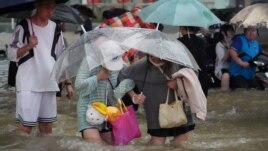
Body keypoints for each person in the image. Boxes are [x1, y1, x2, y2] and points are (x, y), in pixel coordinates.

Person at [7, 0, 73, 136]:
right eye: (47, 6)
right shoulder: (23, 26)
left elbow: (61, 58)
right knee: (25, 128)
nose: (50, 11)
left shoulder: (56, 28)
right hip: (28, 84)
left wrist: (68, 83)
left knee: (47, 128)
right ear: (37, 6)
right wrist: (28, 46)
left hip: (49, 82)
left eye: (53, 7)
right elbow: (11, 54)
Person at [117, 55, 195, 148]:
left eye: (157, 56)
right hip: (155, 111)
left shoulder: (178, 62)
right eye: (151, 55)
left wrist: (178, 83)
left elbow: (193, 75)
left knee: (180, 143)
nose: (154, 58)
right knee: (157, 144)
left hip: (180, 108)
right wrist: (133, 95)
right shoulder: (141, 65)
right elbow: (122, 76)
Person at [75, 40, 134, 145]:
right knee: (96, 145)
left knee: (112, 146)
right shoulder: (89, 61)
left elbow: (128, 81)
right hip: (88, 110)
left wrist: (133, 95)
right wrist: (98, 77)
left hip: (108, 112)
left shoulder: (121, 64)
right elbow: (78, 86)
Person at [178, 26, 210, 97]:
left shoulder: (179, 42)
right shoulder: (203, 41)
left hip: (186, 77)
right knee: (201, 104)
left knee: (187, 104)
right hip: (202, 77)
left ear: (183, 28)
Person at [214, 24, 235, 91]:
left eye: (232, 30)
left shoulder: (234, 42)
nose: (232, 32)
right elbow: (224, 59)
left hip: (234, 67)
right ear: (223, 32)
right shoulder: (219, 45)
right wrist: (229, 49)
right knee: (226, 76)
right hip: (223, 68)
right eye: (229, 31)